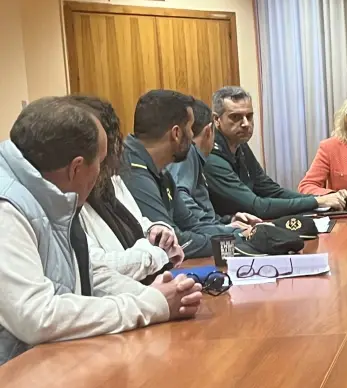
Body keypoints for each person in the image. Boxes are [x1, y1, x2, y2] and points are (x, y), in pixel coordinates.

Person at [0, 97, 202, 365]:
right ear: (76, 168)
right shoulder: (7, 208)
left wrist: (155, 296)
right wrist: (149, 306)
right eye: (101, 162)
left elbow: (88, 272)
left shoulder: (50, 195)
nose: (104, 173)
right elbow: (36, 317)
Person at [122, 90, 240, 259]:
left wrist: (242, 235)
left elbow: (192, 225)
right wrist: (235, 243)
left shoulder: (160, 170)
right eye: (190, 128)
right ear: (176, 133)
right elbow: (173, 243)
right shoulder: (131, 172)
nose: (192, 136)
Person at [77, 96, 184, 282]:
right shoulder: (69, 198)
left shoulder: (110, 179)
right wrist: (157, 254)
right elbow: (96, 269)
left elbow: (137, 221)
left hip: (144, 286)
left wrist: (157, 230)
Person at [204, 86, 347, 217]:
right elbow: (257, 207)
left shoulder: (240, 146)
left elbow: (272, 191)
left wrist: (321, 199)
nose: (246, 124)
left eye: (249, 116)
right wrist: (317, 202)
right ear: (216, 120)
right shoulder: (211, 157)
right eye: (235, 117)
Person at [169, 99, 259, 234]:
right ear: (209, 131)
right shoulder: (188, 153)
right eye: (235, 117)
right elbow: (181, 198)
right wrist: (223, 230)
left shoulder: (196, 157)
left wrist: (228, 221)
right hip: (203, 237)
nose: (245, 123)